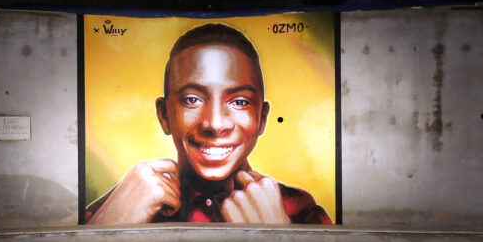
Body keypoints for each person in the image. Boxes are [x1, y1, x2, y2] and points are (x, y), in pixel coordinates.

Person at [86, 22, 332, 224]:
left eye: (239, 102)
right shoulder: (122, 203)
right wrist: (105, 225)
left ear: (262, 119)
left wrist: (280, 235)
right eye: (192, 99)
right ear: (164, 115)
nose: (215, 124)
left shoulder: (299, 210)